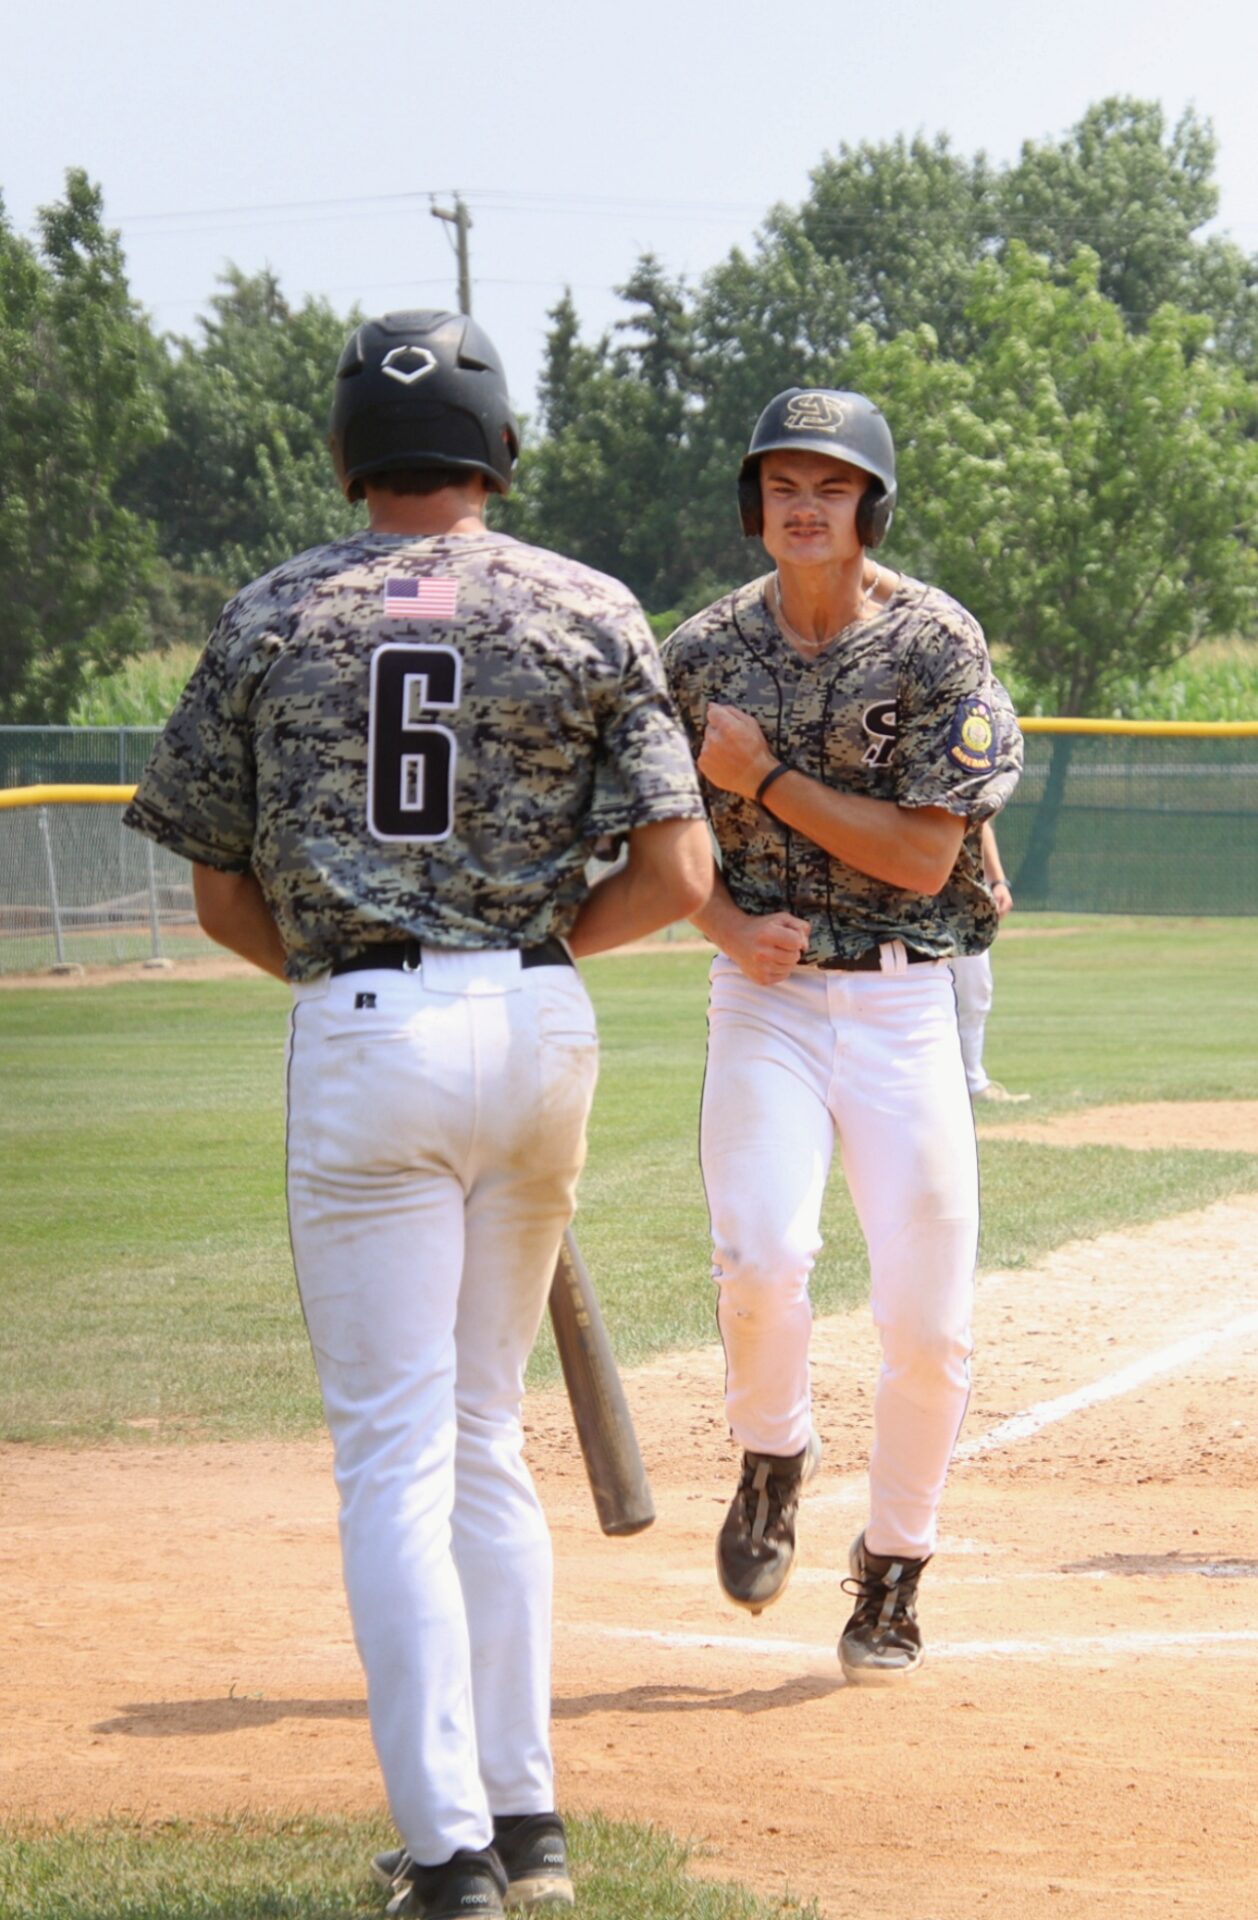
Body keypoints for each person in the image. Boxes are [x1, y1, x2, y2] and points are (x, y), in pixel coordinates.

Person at [123, 310, 712, 1920]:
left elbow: (218, 895)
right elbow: (678, 873)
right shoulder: (589, 603)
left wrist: (358, 977)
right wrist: (519, 964)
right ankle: (529, 1829)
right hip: (536, 1023)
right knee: (479, 1440)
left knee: (392, 1461)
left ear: (343, 460)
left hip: (363, 1020)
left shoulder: (268, 613)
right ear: (500, 452)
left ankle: (446, 1856)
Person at [662, 387, 1022, 1681]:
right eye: (779, 486)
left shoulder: (930, 642)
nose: (801, 507)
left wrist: (758, 779)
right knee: (760, 1255)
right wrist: (716, 921)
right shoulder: (699, 653)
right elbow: (646, 838)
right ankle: (772, 1454)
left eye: (828, 485)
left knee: (927, 1321)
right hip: (764, 1000)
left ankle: (892, 1569)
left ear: (868, 505)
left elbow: (924, 857)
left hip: (900, 999)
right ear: (753, 507)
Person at [951, 820, 1029, 1103]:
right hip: (909, 885)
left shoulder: (967, 777)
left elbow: (979, 820)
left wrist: (997, 881)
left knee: (975, 989)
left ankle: (972, 1082)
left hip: (963, 889)